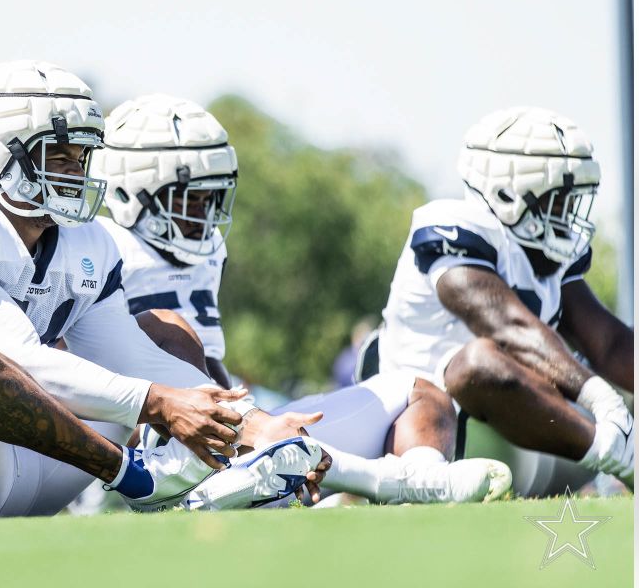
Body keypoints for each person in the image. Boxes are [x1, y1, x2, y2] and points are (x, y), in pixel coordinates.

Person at [0, 61, 331, 520]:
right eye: (56, 154)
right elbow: (14, 355)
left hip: (40, 464)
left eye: (82, 155)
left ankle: (203, 476)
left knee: (162, 330)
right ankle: (140, 478)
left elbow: (132, 358)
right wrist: (158, 402)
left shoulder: (92, 241)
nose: (76, 170)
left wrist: (255, 423)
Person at [92, 94, 511, 505]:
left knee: (421, 391)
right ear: (133, 192)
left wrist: (255, 420)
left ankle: (421, 481)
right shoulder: (102, 247)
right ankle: (382, 480)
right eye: (189, 199)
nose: (204, 215)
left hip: (234, 433)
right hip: (155, 444)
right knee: (171, 334)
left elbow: (208, 365)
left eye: (211, 197)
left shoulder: (208, 249)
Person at [372, 106, 633, 488]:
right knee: (477, 362)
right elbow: (505, 325)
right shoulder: (456, 224)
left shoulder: (548, 253)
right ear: (510, 191)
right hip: (430, 432)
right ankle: (628, 458)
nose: (568, 212)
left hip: (534, 437)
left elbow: (609, 344)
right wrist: (600, 397)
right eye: (558, 199)